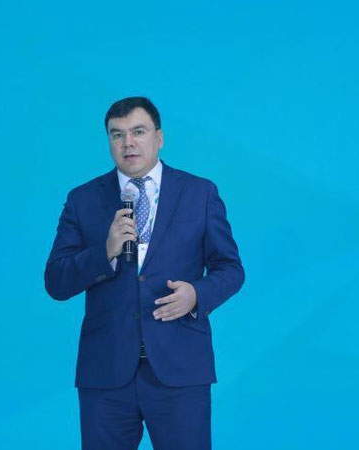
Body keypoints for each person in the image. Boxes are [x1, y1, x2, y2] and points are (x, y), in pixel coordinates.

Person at [44, 96, 244, 450]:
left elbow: (230, 268)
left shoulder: (199, 193)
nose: (128, 143)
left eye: (138, 132)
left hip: (179, 369)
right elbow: (56, 282)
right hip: (105, 373)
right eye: (117, 135)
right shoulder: (83, 199)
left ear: (159, 137)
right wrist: (104, 251)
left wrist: (196, 295)